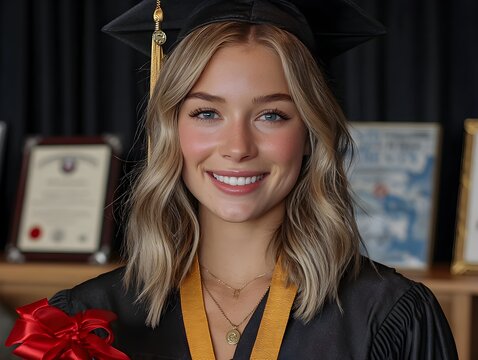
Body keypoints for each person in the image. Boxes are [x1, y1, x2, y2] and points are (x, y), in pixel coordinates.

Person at [6, 0, 458, 359]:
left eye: (271, 115)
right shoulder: (84, 323)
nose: (238, 146)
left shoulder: (388, 318)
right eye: (207, 113)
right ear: (171, 130)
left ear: (309, 135)